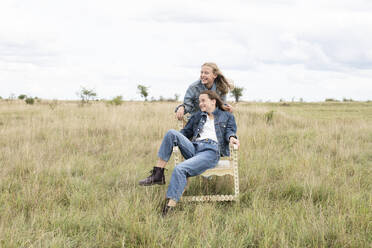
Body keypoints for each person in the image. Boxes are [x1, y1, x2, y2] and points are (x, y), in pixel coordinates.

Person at [139, 90, 240, 216]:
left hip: (211, 151)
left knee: (180, 169)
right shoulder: (198, 116)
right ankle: (158, 174)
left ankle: (168, 209)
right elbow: (185, 133)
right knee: (171, 133)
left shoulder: (227, 116)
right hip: (194, 147)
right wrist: (174, 141)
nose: (200, 103)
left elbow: (230, 131)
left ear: (213, 101)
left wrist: (232, 138)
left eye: (203, 100)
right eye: (199, 101)